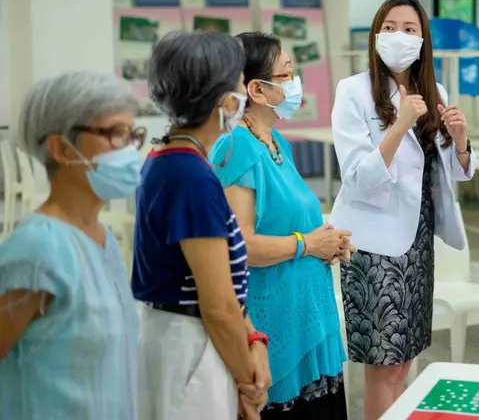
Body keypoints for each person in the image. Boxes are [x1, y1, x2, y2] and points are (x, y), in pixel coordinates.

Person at [330, 0, 476, 420]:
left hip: (417, 241)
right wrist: (400, 125)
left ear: (423, 39)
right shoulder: (353, 90)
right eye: (390, 26)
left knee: (406, 359)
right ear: (376, 34)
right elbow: (357, 176)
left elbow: (450, 170)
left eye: (410, 29)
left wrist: (461, 140)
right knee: (384, 365)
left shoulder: (436, 91)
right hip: (373, 243)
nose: (399, 36)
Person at [210, 31, 353, 420]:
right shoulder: (236, 147)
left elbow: (292, 222)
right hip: (276, 320)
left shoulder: (277, 144)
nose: (296, 83)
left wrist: (328, 241)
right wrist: (308, 245)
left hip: (311, 313)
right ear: (256, 88)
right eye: (287, 73)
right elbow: (241, 246)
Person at [132, 31, 271, 420]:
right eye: (241, 85)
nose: (243, 95)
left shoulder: (174, 159)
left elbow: (228, 292)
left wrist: (255, 340)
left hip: (195, 342)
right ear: (224, 101)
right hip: (189, 348)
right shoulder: (187, 176)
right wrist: (249, 380)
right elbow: (218, 305)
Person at [0, 72, 143, 419]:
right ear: (62, 148)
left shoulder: (104, 240)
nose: (127, 151)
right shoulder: (36, 249)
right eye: (114, 134)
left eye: (131, 134)